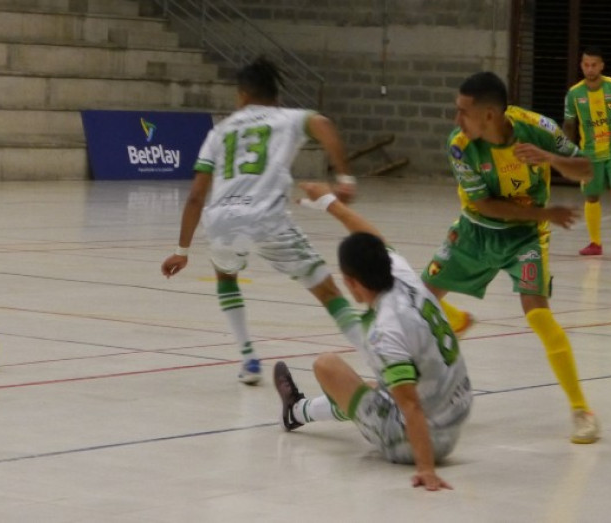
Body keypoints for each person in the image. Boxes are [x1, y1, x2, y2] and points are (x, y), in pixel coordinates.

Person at [160, 57, 362, 385]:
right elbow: (324, 125)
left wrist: (182, 250)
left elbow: (196, 195)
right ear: (276, 94)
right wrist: (345, 177)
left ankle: (248, 359)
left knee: (225, 275)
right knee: (327, 290)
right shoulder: (288, 118)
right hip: (266, 217)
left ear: (241, 95)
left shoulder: (220, 130)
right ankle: (378, 359)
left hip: (222, 219)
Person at [422, 71, 600, 443]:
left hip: (524, 238)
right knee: (419, 298)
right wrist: (545, 214)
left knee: (538, 313)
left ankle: (582, 410)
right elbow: (486, 204)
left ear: (489, 115)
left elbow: (588, 168)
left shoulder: (538, 128)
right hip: (474, 229)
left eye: (462, 112)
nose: (457, 120)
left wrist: (550, 158)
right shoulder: (459, 145)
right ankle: (455, 322)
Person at [273, 182, 472, 491]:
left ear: (352, 282)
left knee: (328, 366)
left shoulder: (384, 332)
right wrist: (328, 202)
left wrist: (426, 469)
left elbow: (410, 406)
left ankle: (296, 411)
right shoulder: (404, 274)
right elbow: (373, 238)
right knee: (376, 386)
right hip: (457, 413)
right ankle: (296, 413)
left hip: (421, 442)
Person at [563, 46, 611, 260]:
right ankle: (595, 242)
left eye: (594, 65)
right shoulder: (574, 94)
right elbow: (569, 125)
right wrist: (568, 156)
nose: (590, 69)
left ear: (602, 66)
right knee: (591, 196)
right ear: (581, 66)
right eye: (586, 65)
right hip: (590, 152)